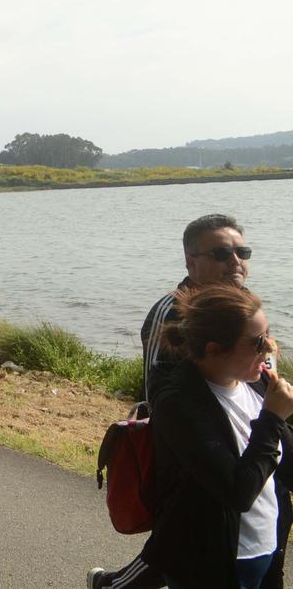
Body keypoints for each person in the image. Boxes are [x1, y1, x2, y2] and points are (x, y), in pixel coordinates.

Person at [89, 214, 254, 589]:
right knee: (178, 541)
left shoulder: (243, 310)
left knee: (189, 542)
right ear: (190, 261)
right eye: (221, 253)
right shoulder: (172, 311)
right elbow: (157, 396)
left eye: (242, 251)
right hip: (186, 452)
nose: (235, 262)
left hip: (239, 443)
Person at [144, 283, 293, 589]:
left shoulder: (255, 382)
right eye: (257, 342)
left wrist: (281, 418)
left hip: (266, 548)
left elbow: (283, 463)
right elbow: (237, 491)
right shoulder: (177, 403)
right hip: (211, 561)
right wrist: (273, 417)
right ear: (213, 349)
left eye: (268, 335)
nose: (269, 349)